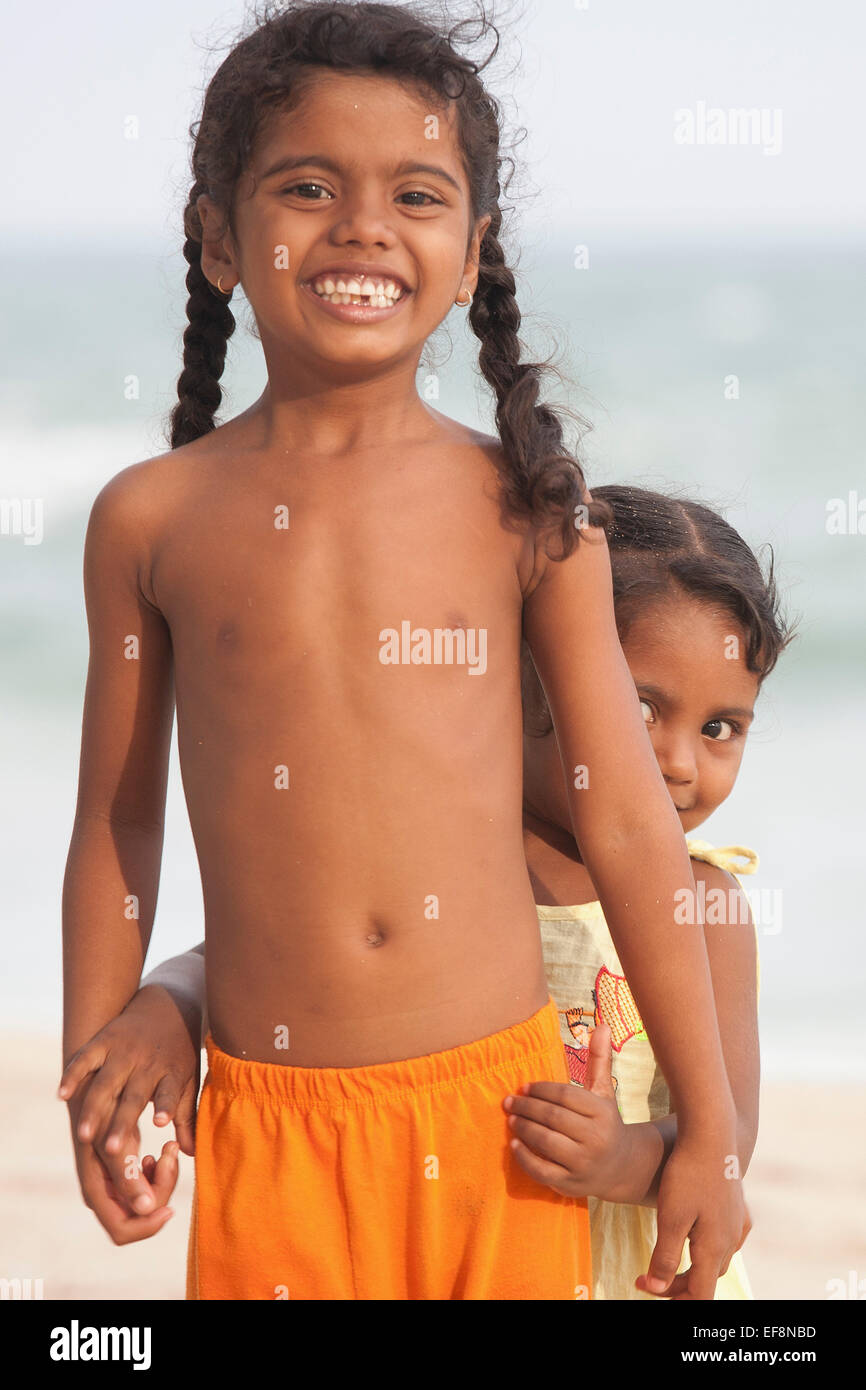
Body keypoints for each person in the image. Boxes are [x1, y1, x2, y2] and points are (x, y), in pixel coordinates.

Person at [61, 3, 746, 1300]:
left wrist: (705, 1125)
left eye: (415, 192)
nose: (363, 226)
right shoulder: (148, 522)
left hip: (501, 1122)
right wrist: (100, 1058)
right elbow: (115, 822)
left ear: (471, 246)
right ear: (216, 235)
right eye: (307, 186)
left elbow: (630, 830)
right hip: (271, 1120)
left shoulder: (528, 515)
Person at [514, 484, 794, 1298]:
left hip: (636, 1269)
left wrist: (624, 1159)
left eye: (719, 728)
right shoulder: (461, 867)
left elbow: (731, 1134)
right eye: (641, 707)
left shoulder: (706, 902)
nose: (679, 762)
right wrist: (175, 996)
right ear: (538, 676)